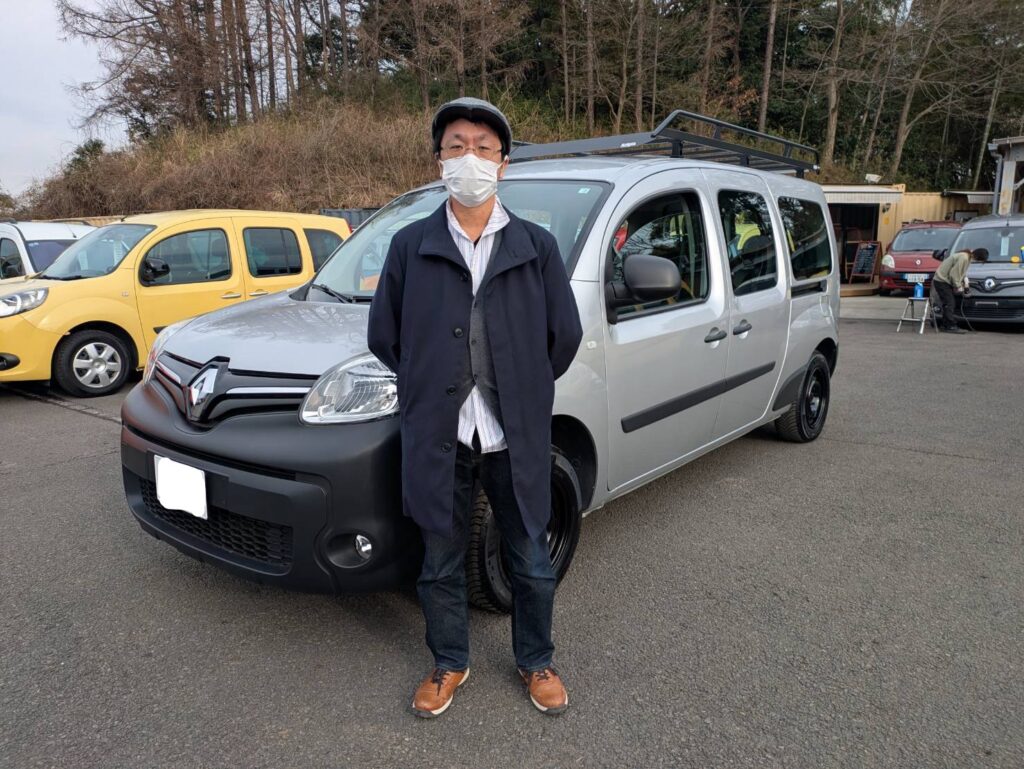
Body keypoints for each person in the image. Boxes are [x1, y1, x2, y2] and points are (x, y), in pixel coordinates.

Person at [366, 97, 583, 718]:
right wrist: (430, 383)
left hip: (514, 434)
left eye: (483, 148)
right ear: (439, 161)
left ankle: (536, 660)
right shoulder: (411, 245)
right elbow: (386, 336)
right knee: (439, 560)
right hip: (441, 433)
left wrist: (524, 387)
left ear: (503, 164)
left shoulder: (535, 246)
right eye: (456, 146)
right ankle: (449, 661)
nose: (470, 158)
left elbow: (563, 336)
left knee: (530, 557)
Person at [931, 247, 988, 333]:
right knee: (950, 303)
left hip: (943, 280)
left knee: (947, 303)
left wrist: (965, 281)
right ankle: (950, 326)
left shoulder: (966, 257)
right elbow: (954, 274)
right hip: (941, 280)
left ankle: (945, 324)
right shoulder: (964, 258)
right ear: (979, 257)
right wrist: (958, 286)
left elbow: (961, 272)